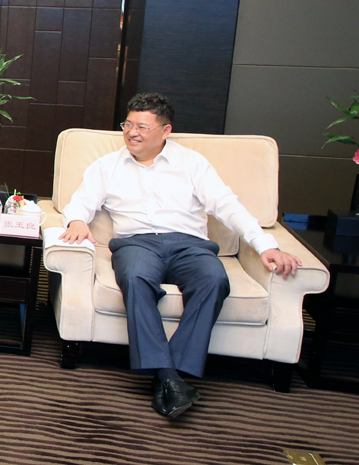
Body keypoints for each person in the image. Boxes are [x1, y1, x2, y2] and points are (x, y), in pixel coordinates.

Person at [60, 92, 301, 419]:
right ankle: (171, 377)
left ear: (166, 130)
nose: (132, 133)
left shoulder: (192, 163)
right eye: (128, 124)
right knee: (135, 278)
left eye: (142, 127)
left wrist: (265, 245)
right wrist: (76, 221)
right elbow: (80, 203)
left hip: (190, 246)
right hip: (137, 244)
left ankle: (167, 375)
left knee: (214, 279)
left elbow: (227, 206)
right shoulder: (106, 166)